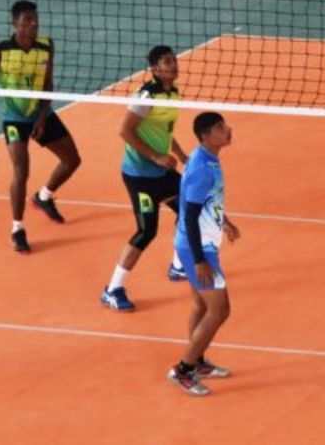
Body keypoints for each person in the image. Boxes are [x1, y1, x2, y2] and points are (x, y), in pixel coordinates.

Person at [0, 0, 83, 253]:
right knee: (21, 171)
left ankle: (43, 196)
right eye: (27, 19)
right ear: (14, 23)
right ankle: (17, 229)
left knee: (72, 160)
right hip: (15, 119)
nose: (34, 23)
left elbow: (48, 83)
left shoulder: (46, 46)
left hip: (41, 114)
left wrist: (42, 117)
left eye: (35, 18)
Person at [102, 46, 190, 312]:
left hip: (162, 171)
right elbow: (125, 130)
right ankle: (112, 290)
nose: (174, 65)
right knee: (146, 232)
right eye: (167, 61)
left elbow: (164, 130)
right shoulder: (146, 96)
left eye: (174, 60)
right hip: (140, 176)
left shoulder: (172, 93)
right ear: (155, 68)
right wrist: (156, 156)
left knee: (189, 210)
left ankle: (178, 266)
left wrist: (180, 154)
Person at [167, 112, 241, 396]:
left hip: (200, 244)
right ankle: (183, 370)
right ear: (206, 136)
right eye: (221, 128)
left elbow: (209, 201)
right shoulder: (202, 169)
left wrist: (226, 222)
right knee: (220, 310)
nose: (228, 130)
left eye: (225, 125)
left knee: (200, 305)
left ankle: (197, 361)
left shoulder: (206, 158)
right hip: (197, 249)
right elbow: (189, 216)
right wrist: (199, 260)